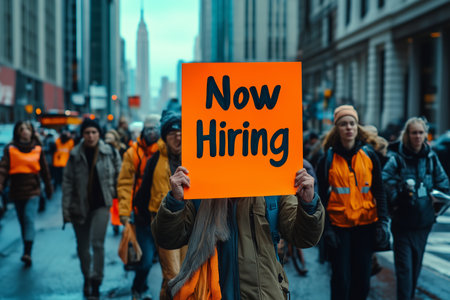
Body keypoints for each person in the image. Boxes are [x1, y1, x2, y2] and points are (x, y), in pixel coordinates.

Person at [151, 160, 324, 299]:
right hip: (209, 292)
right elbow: (167, 238)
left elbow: (304, 238)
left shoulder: (274, 182)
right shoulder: (198, 183)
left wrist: (309, 204)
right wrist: (175, 201)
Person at [316, 105, 389, 300]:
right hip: (339, 227)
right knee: (340, 278)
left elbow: (379, 192)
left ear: (357, 127)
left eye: (352, 123)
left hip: (366, 226)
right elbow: (321, 198)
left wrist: (382, 222)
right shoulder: (327, 159)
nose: (348, 127)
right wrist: (327, 229)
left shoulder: (369, 155)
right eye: (343, 124)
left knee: (362, 279)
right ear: (337, 129)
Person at [382, 117, 449, 300]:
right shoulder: (398, 159)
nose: (418, 136)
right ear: (407, 135)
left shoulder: (431, 158)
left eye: (421, 132)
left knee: (416, 267)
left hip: (423, 224)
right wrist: (400, 191)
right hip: (402, 223)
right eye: (414, 132)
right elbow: (384, 181)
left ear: (425, 135)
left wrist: (434, 204)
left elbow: (444, 185)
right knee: (404, 269)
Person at [62, 119, 121, 299]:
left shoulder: (109, 152)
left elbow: (120, 176)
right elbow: (67, 183)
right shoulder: (74, 154)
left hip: (101, 205)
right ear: (82, 134)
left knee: (97, 244)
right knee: (82, 248)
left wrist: (121, 202)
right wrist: (66, 211)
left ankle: (96, 281)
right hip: (79, 207)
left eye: (94, 132)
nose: (90, 136)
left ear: (99, 134)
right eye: (87, 132)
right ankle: (86, 277)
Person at [133, 111, 187, 300]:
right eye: (172, 133)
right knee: (173, 274)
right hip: (163, 222)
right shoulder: (155, 160)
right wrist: (138, 216)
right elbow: (143, 191)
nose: (178, 136)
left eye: (181, 131)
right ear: (164, 136)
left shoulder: (194, 159)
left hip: (190, 220)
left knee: (182, 276)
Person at [117, 114, 160, 300]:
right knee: (146, 259)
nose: (152, 132)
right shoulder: (132, 153)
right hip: (142, 214)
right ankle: (139, 287)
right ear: (144, 130)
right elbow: (125, 184)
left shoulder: (167, 152)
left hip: (164, 214)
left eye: (155, 128)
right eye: (149, 128)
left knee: (164, 262)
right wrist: (125, 212)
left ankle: (143, 288)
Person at [0, 121, 53, 267]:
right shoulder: (10, 149)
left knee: (28, 219)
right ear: (17, 132)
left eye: (27, 129)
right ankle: (26, 246)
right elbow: (3, 170)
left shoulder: (37, 148)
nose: (24, 131)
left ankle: (27, 252)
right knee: (23, 222)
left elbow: (45, 171)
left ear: (31, 132)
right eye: (21, 129)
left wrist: (49, 189)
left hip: (33, 191)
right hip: (16, 192)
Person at [104, 129, 127, 236]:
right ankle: (115, 224)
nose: (107, 140)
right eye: (106, 138)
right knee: (114, 205)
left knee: (122, 202)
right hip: (110, 181)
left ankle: (124, 222)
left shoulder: (122, 149)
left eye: (110, 138)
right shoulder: (104, 150)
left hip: (123, 179)